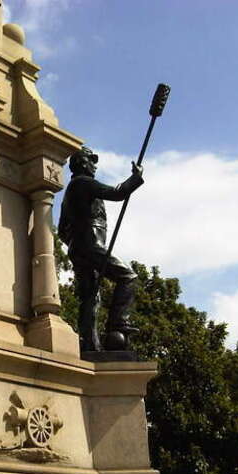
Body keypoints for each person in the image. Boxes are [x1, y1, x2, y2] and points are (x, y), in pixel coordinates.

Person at [58, 146, 144, 352]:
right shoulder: (83, 183)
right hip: (90, 245)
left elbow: (62, 230)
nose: (94, 165)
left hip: (78, 248)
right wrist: (135, 178)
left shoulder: (72, 189)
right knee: (128, 276)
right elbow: (117, 193)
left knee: (90, 296)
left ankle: (91, 345)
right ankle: (118, 324)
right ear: (81, 164)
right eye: (91, 161)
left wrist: (76, 241)